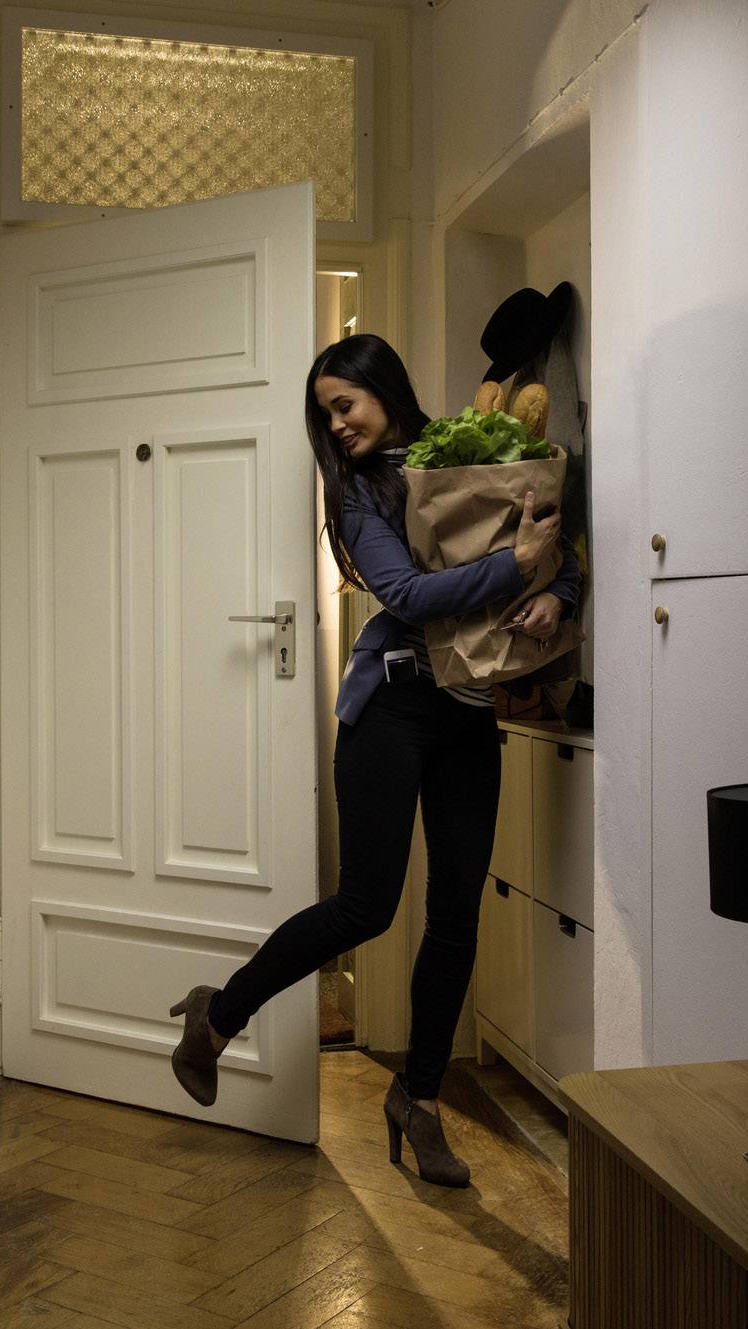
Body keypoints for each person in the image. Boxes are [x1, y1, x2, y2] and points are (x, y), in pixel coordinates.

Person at [168, 333, 581, 1188]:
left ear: (382, 387)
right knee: (367, 905)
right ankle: (218, 1015)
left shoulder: (462, 456)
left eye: (343, 405)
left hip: (470, 717)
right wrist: (515, 565)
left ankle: (419, 1101)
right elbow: (405, 594)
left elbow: (559, 547)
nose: (337, 424)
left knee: (458, 913)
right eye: (326, 414)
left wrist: (553, 592)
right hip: (391, 711)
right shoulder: (357, 490)